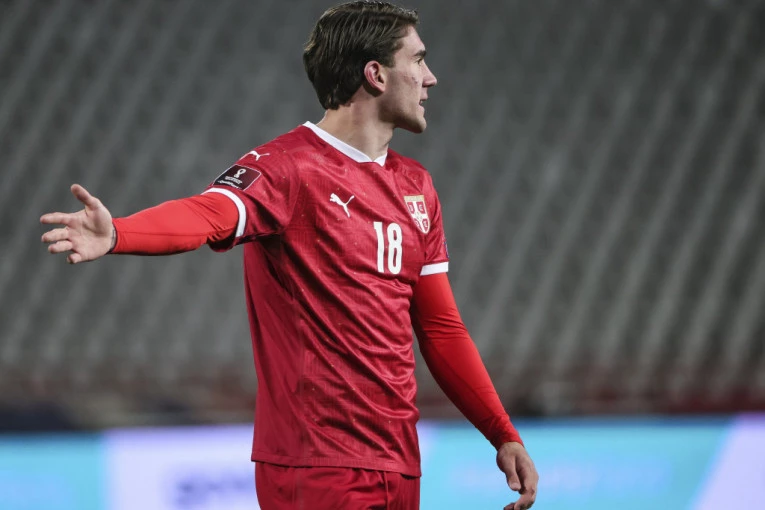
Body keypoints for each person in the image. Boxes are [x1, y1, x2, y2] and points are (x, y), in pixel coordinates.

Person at [40, 1, 538, 509]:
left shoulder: (417, 187)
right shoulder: (288, 168)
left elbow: (440, 327)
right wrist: (118, 233)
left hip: (399, 464)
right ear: (376, 74)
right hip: (316, 465)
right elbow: (208, 213)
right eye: (418, 60)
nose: (430, 78)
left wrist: (502, 433)